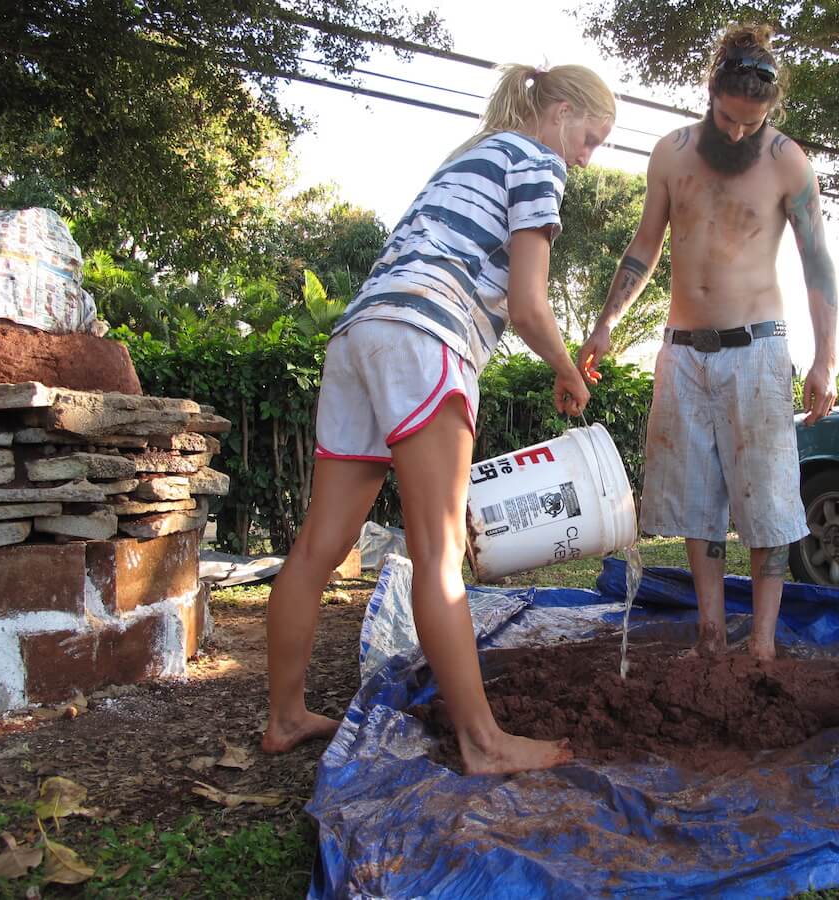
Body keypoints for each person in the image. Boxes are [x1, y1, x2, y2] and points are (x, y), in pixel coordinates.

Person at [263, 64, 616, 774]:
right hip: (427, 336)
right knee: (439, 551)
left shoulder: (469, 157)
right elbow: (527, 304)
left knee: (317, 547)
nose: (585, 156)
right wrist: (567, 369)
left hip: (360, 330)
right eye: (590, 136)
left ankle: (284, 716)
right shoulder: (536, 161)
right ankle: (484, 742)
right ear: (558, 109)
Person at [579, 24, 838, 661]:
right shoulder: (671, 153)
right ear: (711, 92)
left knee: (768, 501)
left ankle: (763, 648)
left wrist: (825, 359)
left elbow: (819, 265)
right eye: (728, 117)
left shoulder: (788, 162)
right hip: (683, 351)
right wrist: (608, 320)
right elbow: (646, 245)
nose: (738, 132)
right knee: (695, 502)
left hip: (758, 350)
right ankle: (711, 636)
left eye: (753, 122)